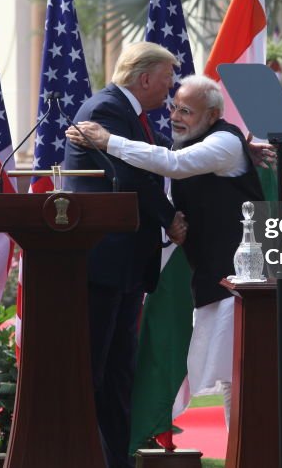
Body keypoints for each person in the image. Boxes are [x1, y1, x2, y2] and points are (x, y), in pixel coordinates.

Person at [66, 74, 269, 429]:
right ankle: (245, 452)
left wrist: (107, 140)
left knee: (242, 376)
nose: (175, 116)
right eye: (174, 107)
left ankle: (252, 454)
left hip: (242, 279)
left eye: (187, 111)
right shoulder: (204, 140)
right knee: (231, 376)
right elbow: (164, 149)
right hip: (217, 276)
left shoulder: (223, 142)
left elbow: (171, 164)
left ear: (211, 116)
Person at [63, 41, 187, 468]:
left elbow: (157, 163)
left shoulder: (129, 114)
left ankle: (115, 458)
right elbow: (131, 176)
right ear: (146, 77)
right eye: (168, 81)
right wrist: (170, 217)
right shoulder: (105, 111)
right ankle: (87, 455)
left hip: (127, 263)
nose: (171, 92)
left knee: (118, 371)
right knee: (96, 369)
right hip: (104, 261)